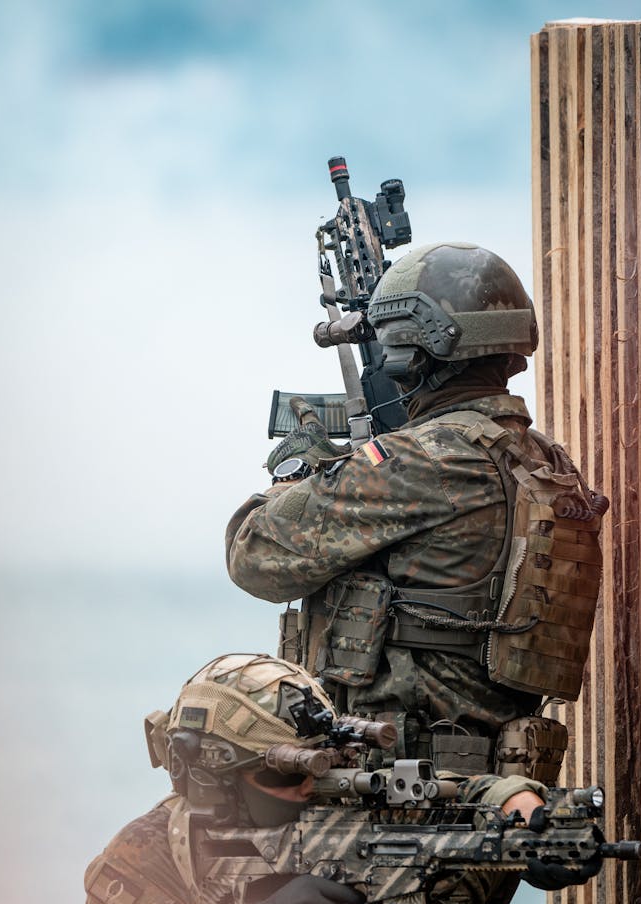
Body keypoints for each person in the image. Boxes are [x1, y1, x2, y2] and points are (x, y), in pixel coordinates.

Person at [226, 242, 604, 776]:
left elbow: (255, 555)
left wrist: (302, 472)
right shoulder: (542, 459)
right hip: (494, 775)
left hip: (394, 775)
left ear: (413, 350)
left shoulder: (421, 461)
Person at [83, 652, 558, 904]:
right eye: (293, 775)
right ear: (219, 779)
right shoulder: (149, 857)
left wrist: (523, 810)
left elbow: (458, 795)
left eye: (329, 762)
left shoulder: (347, 798)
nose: (316, 785)